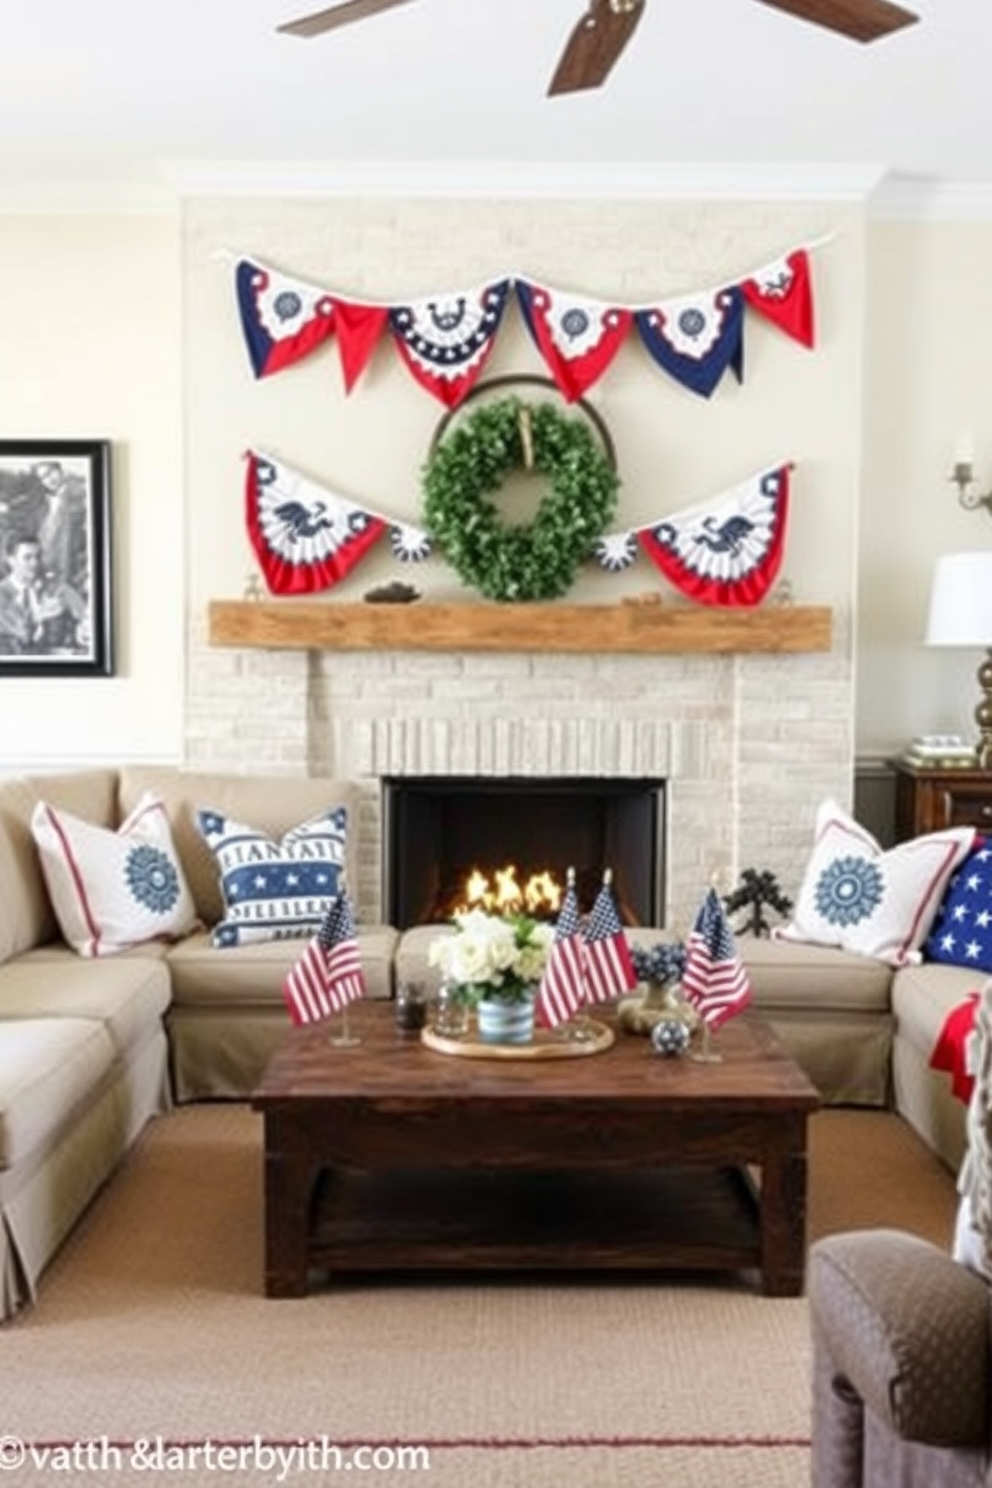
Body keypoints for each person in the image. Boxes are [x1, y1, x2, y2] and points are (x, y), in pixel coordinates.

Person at [0, 535, 87, 656]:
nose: (35, 563)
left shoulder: (56, 587)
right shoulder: (2, 595)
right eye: (27, 558)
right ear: (11, 560)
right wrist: (41, 615)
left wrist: (82, 629)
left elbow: (87, 615)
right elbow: (24, 637)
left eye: (38, 556)